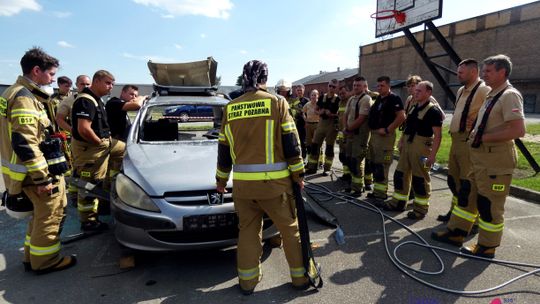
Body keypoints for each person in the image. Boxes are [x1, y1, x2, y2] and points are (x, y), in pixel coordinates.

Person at [215, 60, 313, 295]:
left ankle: (247, 282)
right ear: (265, 79)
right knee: (290, 231)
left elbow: (223, 149)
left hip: (243, 188)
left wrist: (220, 181)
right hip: (275, 186)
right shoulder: (277, 102)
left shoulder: (231, 107)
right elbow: (292, 143)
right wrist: (299, 174)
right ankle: (300, 279)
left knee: (248, 232)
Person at [431, 54, 525, 258]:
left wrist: (484, 137)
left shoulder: (509, 95)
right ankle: (457, 232)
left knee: (489, 204)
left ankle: (487, 246)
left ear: (503, 72)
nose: (484, 74)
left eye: (488, 71)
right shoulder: (492, 94)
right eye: (483, 70)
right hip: (480, 158)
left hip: (496, 162)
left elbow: (518, 130)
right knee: (467, 195)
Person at [0, 47, 76, 274]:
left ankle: (31, 257)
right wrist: (43, 178)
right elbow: (26, 142)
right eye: (51, 74)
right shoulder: (24, 98)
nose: (53, 79)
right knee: (50, 216)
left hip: (25, 174)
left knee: (38, 217)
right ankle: (45, 262)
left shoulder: (15, 93)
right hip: (35, 175)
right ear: (36, 71)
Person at [71, 70, 125, 232]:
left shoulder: (96, 100)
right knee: (89, 185)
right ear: (96, 82)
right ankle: (88, 221)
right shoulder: (86, 100)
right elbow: (84, 129)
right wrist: (98, 143)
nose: (111, 87)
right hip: (92, 148)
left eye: (112, 84)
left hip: (105, 143)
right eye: (108, 83)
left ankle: (109, 189)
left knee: (126, 150)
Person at [436, 59, 490, 222]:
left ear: (474, 72)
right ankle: (455, 211)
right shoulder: (461, 90)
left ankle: (470, 219)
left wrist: (477, 123)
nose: (458, 75)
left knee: (468, 183)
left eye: (461, 72)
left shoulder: (483, 90)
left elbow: (491, 113)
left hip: (468, 141)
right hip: (456, 140)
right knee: (454, 179)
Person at [382, 81, 443, 219]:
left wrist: (432, 156)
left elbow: (438, 135)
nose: (415, 93)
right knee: (400, 174)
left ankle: (420, 209)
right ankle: (398, 202)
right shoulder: (413, 107)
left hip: (421, 147)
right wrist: (402, 140)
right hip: (408, 144)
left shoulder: (433, 111)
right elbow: (408, 126)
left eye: (419, 91)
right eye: (415, 91)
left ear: (429, 93)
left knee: (419, 179)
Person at [366, 76, 405, 199]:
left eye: (382, 85)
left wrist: (388, 129)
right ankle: (377, 191)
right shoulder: (379, 99)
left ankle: (381, 194)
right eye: (378, 85)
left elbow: (401, 117)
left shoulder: (394, 99)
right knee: (375, 164)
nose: (379, 88)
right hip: (375, 136)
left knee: (382, 166)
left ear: (389, 86)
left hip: (385, 137)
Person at [342, 76, 373, 195]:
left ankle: (358, 188)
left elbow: (361, 118)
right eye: (354, 85)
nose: (355, 87)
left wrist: (348, 129)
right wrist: (346, 128)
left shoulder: (366, 99)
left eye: (358, 85)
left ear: (365, 86)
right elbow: (345, 115)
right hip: (350, 134)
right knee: (349, 159)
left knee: (357, 160)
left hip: (360, 136)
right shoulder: (351, 99)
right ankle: (352, 184)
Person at [305, 79, 341, 175]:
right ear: (327, 86)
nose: (331, 88)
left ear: (336, 88)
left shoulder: (338, 99)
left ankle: (327, 169)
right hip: (321, 124)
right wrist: (319, 112)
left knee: (329, 147)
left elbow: (340, 114)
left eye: (334, 86)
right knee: (315, 145)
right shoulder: (322, 97)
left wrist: (332, 114)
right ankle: (312, 167)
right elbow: (316, 110)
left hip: (331, 125)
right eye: (330, 86)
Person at [337, 84, 351, 181]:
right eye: (340, 93)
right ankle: (346, 174)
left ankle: (352, 176)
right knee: (342, 155)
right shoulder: (340, 102)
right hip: (341, 134)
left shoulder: (352, 101)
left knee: (350, 155)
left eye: (344, 92)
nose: (342, 94)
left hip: (349, 133)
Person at [292, 84, 309, 158]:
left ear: (303, 91)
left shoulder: (307, 101)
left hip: (303, 124)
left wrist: (307, 123)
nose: (299, 92)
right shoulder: (293, 100)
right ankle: (297, 156)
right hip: (295, 124)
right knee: (295, 141)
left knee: (303, 142)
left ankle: (304, 158)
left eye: (300, 90)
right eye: (298, 90)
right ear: (296, 91)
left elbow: (309, 113)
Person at [303, 89, 320, 160]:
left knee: (316, 143)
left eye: (315, 95)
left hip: (317, 125)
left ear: (317, 96)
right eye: (312, 95)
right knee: (309, 143)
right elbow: (303, 112)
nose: (313, 96)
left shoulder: (320, 104)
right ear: (310, 96)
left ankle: (319, 160)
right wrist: (305, 118)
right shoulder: (307, 104)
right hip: (308, 125)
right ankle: (310, 159)